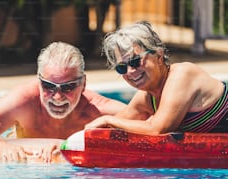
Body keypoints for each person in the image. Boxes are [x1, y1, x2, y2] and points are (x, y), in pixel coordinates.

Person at [0, 41, 126, 163]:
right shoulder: (24, 100)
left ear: (83, 83)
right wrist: (0, 148)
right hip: (23, 163)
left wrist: (70, 146)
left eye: (68, 87)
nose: (57, 96)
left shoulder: (101, 110)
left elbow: (152, 128)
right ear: (39, 82)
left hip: (68, 169)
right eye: (48, 86)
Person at [85, 21, 227, 134]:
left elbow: (157, 129)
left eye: (135, 61)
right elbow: (106, 129)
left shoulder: (182, 74)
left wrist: (108, 119)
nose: (130, 71)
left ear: (159, 56)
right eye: (121, 67)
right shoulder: (147, 98)